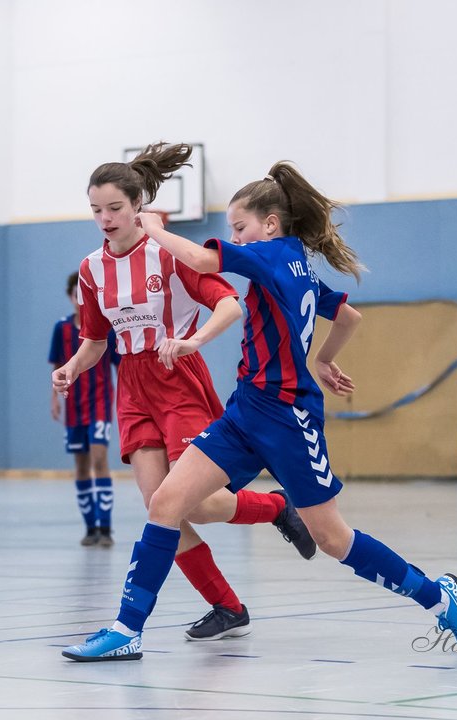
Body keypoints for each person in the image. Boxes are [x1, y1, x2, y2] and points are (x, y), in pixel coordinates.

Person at [62, 161, 457, 661]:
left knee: (332, 538)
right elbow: (348, 316)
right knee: (167, 503)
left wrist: (153, 227)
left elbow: (198, 261)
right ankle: (127, 630)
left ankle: (438, 596)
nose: (233, 237)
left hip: (290, 417)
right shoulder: (297, 264)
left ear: (269, 224)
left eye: (238, 227)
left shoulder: (270, 256)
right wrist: (323, 359)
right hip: (246, 410)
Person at [52, 143, 317, 643]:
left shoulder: (168, 255)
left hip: (177, 377)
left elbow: (228, 305)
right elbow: (94, 341)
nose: (105, 218)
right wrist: (71, 367)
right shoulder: (91, 270)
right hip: (130, 384)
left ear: (137, 207)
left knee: (195, 503)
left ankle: (278, 508)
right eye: (96, 210)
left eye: (115, 208)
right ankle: (227, 605)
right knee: (160, 508)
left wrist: (192, 339)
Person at [49, 271, 121, 547]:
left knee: (99, 459)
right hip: (73, 406)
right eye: (75, 293)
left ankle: (106, 527)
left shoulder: (106, 329)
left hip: (100, 401)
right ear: (70, 296)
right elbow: (56, 365)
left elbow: (120, 365)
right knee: (80, 464)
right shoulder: (62, 328)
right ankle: (90, 527)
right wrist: (54, 399)